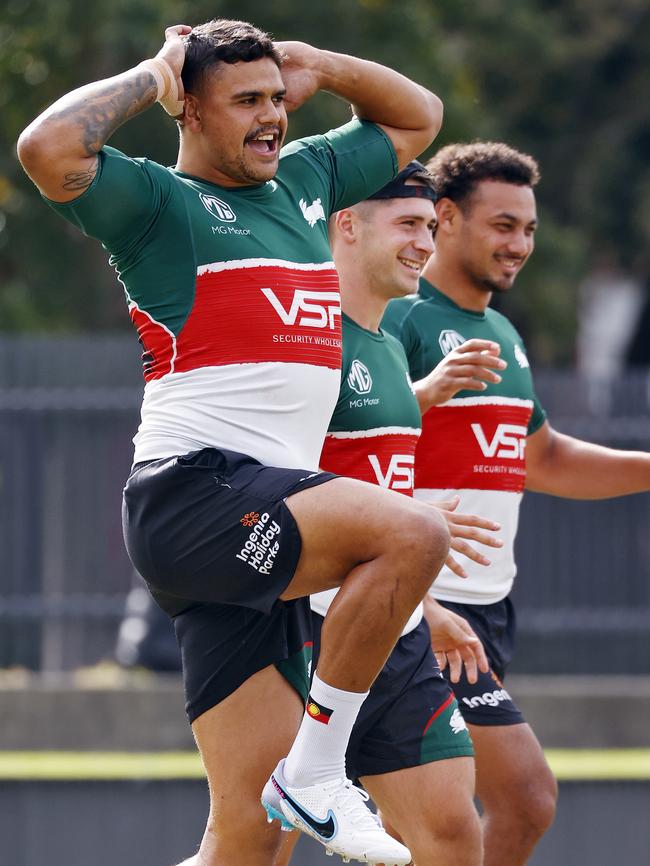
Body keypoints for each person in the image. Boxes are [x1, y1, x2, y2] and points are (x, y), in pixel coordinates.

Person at [17, 18, 447, 866]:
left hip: (254, 515)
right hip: (196, 494)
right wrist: (153, 71)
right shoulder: (156, 204)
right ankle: (318, 774)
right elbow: (46, 147)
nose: (272, 116)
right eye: (245, 101)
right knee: (412, 533)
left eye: (277, 100)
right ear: (190, 113)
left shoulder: (306, 179)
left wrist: (319, 64)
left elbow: (416, 117)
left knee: (248, 837)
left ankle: (300, 789)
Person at [382, 141, 650, 866]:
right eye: (503, 225)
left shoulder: (501, 332)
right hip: (418, 608)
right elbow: (343, 453)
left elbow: (545, 459)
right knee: (521, 797)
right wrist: (422, 607)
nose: (520, 244)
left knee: (427, 833)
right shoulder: (399, 321)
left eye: (528, 229)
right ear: (444, 218)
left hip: (488, 611)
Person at [271, 162, 508, 866]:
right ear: (345, 224)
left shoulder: (382, 346)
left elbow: (379, 505)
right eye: (408, 225)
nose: (425, 245)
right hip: (300, 632)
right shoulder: (305, 345)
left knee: (451, 832)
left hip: (395, 639)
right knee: (250, 847)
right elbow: (276, 493)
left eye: (431, 229)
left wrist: (426, 607)